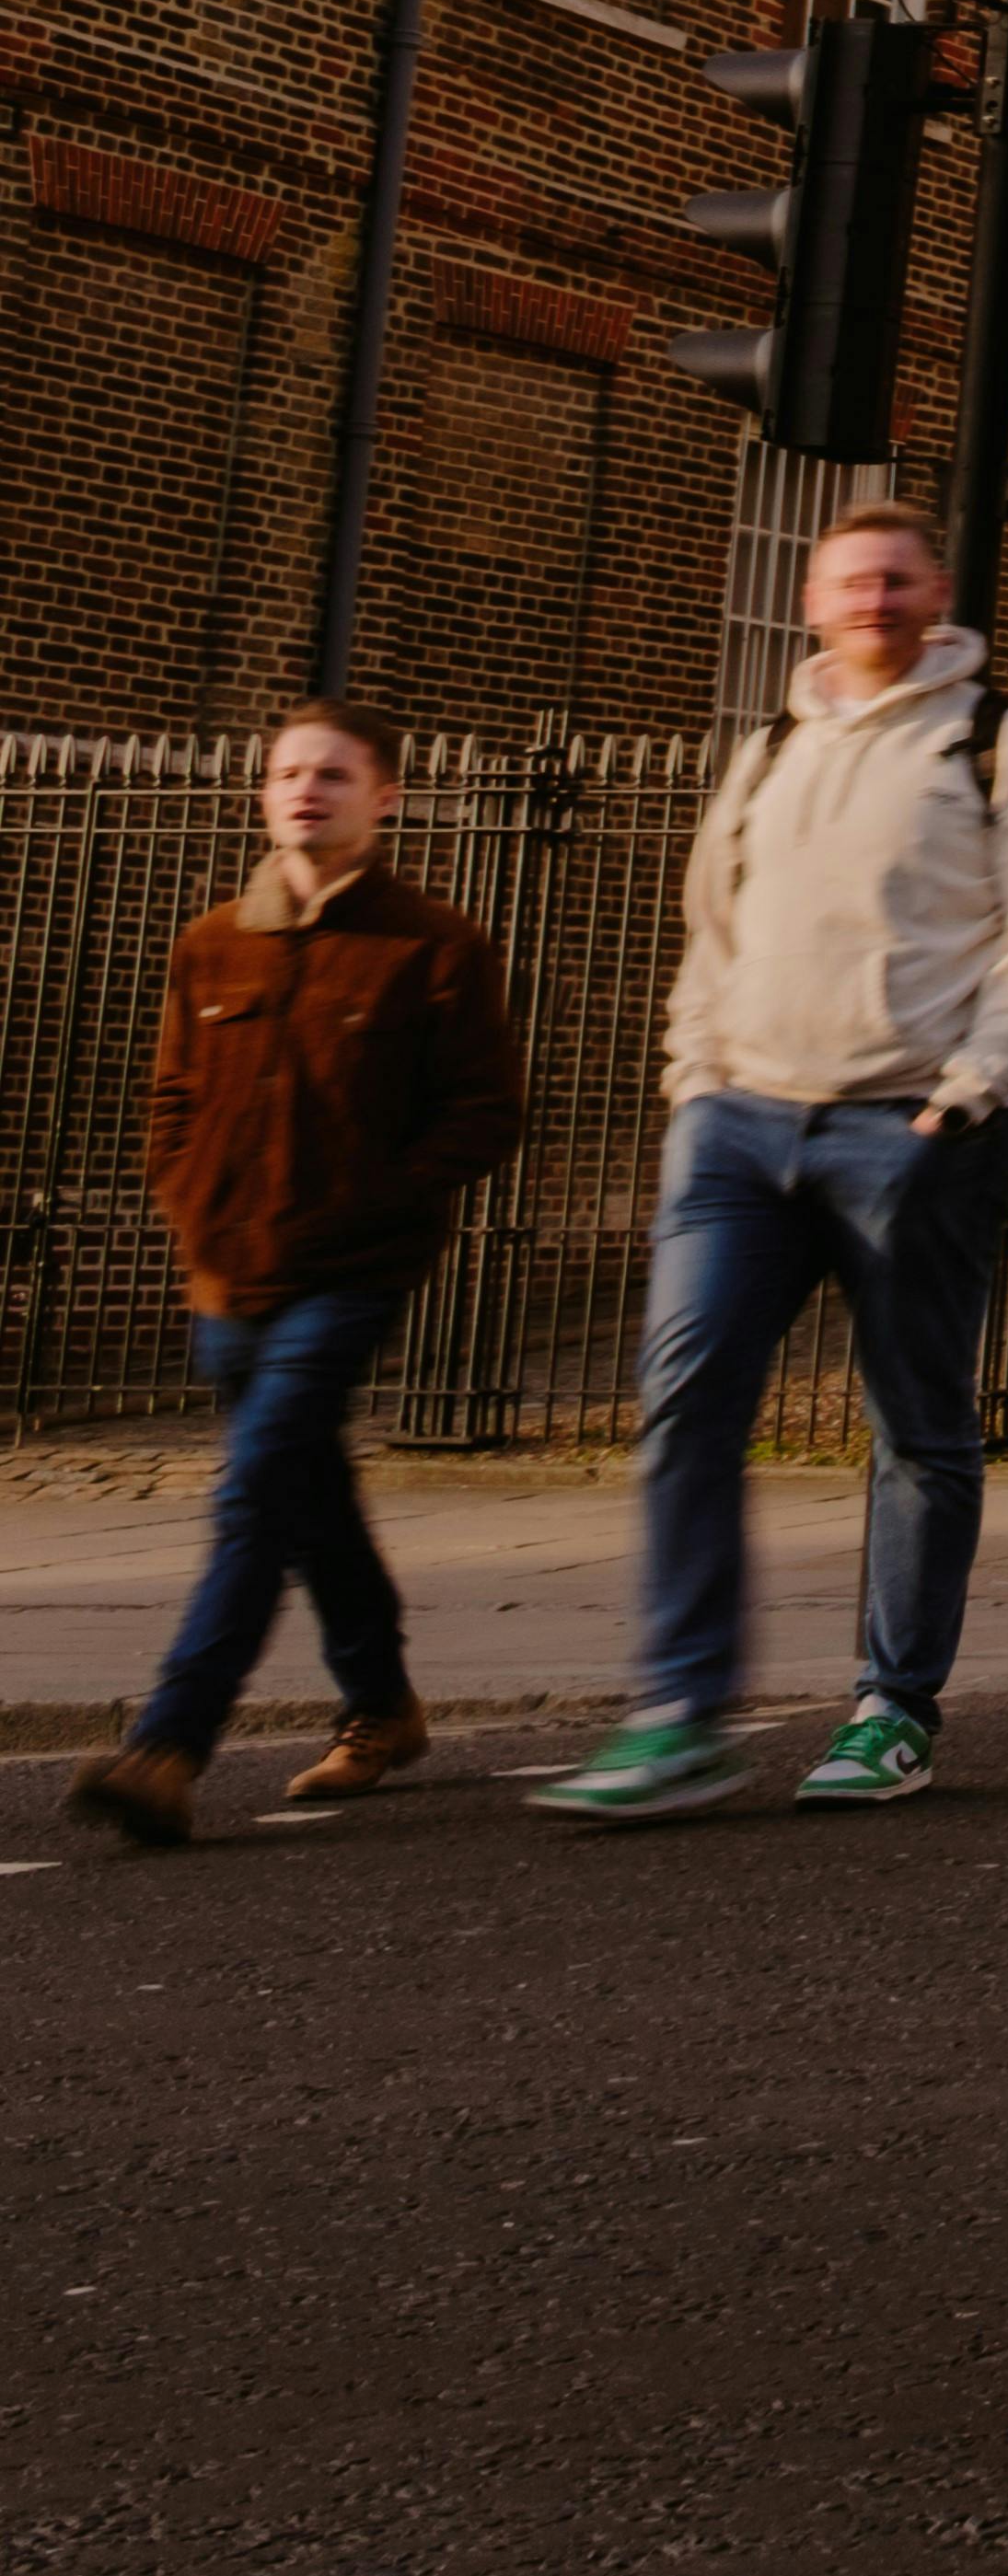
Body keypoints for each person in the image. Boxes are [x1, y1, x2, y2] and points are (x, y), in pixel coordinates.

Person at [539, 491, 1008, 1828]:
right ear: (813, 597)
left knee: (917, 1420)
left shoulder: (1000, 739)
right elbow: (711, 924)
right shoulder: (772, 744)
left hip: (909, 1123)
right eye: (850, 581)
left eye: (897, 579)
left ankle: (892, 1706)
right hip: (738, 1120)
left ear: (936, 590)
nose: (872, 601)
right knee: (686, 1400)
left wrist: (974, 1094)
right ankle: (680, 1709)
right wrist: (694, 1076)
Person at [67, 700, 526, 1849]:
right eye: (288, 773)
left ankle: (168, 1747)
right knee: (307, 1495)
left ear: (387, 799)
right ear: (265, 793)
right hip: (227, 1266)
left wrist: (387, 1197)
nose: (306, 790)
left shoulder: (435, 945)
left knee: (253, 1494)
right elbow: (172, 1096)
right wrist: (187, 1196)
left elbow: (487, 1111)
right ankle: (382, 1704)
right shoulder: (212, 940)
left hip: (354, 1270)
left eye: (334, 774)